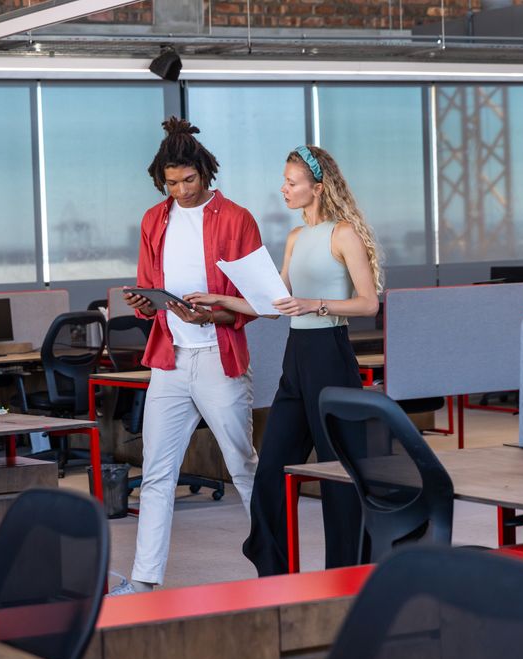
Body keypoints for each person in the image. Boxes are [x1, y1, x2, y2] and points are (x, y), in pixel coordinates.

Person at [187, 145, 383, 576]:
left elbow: (368, 303)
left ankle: (347, 576)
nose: (284, 189)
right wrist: (220, 298)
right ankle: (274, 574)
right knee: (272, 471)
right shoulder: (296, 238)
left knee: (339, 481)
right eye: (284, 181)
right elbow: (274, 305)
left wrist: (316, 303)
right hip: (296, 363)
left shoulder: (342, 233)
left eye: (291, 183)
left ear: (317, 187)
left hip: (332, 359)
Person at [112, 117, 261, 594]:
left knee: (243, 466)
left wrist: (214, 318)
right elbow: (149, 287)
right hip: (170, 362)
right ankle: (144, 581)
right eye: (171, 183)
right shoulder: (154, 220)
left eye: (188, 180)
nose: (180, 191)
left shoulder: (237, 219)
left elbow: (258, 301)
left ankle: (277, 565)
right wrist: (142, 304)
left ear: (205, 171)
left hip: (218, 359)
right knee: (156, 474)